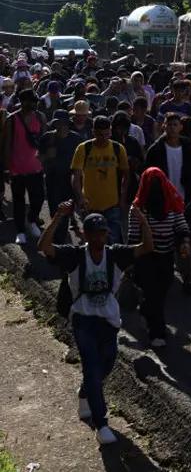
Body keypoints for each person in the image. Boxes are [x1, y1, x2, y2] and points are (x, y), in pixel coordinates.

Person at [39, 203, 153, 445]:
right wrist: (58, 216)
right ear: (86, 235)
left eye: (103, 232)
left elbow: (147, 247)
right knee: (91, 367)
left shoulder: (116, 254)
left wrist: (143, 222)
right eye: (95, 233)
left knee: (107, 362)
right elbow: (44, 247)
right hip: (83, 320)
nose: (100, 237)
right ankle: (101, 424)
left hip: (108, 321)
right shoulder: (75, 255)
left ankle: (84, 393)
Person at [129, 167, 190, 348]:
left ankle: (147, 313)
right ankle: (158, 332)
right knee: (153, 293)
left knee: (161, 292)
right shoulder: (138, 208)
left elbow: (181, 225)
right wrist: (131, 262)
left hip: (166, 257)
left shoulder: (172, 202)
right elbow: (133, 236)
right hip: (146, 258)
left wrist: (184, 242)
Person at [70, 116, 129, 244]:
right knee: (93, 243)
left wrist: (123, 199)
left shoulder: (118, 149)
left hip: (113, 205)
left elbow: (126, 175)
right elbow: (76, 176)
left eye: (106, 134)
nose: (103, 138)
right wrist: (80, 198)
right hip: (89, 206)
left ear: (110, 132)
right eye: (99, 134)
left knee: (113, 243)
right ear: (93, 132)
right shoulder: (83, 148)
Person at [2, 89, 46, 243]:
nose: (33, 104)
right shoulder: (11, 120)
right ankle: (20, 231)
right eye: (30, 101)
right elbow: (7, 145)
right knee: (19, 201)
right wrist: (7, 168)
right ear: (22, 101)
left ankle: (32, 220)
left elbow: (44, 142)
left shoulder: (40, 117)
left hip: (36, 167)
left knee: (38, 198)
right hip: (17, 169)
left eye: (34, 101)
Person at [39, 110, 83, 244]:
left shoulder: (76, 139)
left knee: (67, 210)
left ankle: (60, 240)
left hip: (70, 180)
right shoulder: (47, 138)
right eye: (58, 123)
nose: (62, 126)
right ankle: (58, 239)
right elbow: (39, 158)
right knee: (55, 211)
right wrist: (47, 156)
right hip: (52, 180)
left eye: (64, 123)